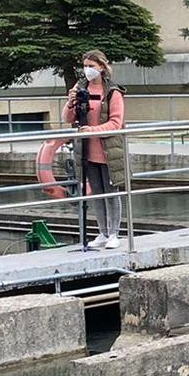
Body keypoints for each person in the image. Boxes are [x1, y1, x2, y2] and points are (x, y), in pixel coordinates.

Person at [63, 49, 126, 249]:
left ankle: (115, 233)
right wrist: (71, 102)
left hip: (108, 151)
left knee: (110, 193)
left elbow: (116, 123)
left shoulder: (112, 91)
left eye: (92, 66)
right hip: (87, 151)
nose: (88, 70)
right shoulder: (81, 87)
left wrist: (93, 129)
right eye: (85, 66)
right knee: (96, 193)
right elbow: (67, 118)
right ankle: (102, 232)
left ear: (102, 67)